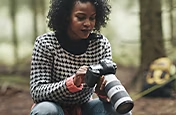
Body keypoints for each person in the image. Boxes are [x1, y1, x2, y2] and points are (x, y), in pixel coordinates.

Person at [30, 0, 132, 115]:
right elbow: (37, 92)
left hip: (85, 108)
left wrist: (104, 92)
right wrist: (72, 83)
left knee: (119, 111)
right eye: (81, 17)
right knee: (46, 111)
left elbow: (106, 98)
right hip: (53, 107)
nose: (88, 23)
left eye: (92, 18)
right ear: (66, 17)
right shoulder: (46, 44)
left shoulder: (100, 45)